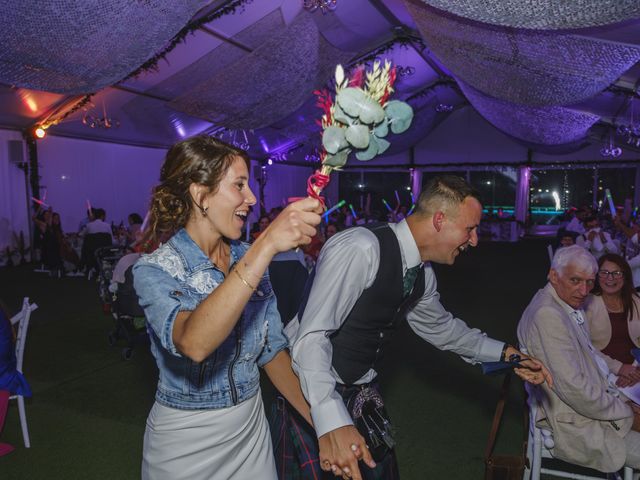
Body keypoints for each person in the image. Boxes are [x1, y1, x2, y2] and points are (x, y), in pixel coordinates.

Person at [285, 175, 551, 480]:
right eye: (470, 229)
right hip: (310, 393)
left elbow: (444, 330)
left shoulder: (422, 275)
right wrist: (332, 420)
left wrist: (507, 354)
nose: (475, 240)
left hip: (362, 394)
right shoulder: (361, 248)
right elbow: (311, 338)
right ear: (440, 220)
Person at [132, 135, 322, 480]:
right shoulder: (154, 270)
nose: (251, 198)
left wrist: (324, 425)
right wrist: (264, 247)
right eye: (239, 185)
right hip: (185, 444)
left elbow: (272, 352)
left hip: (251, 433)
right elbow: (194, 342)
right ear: (199, 194)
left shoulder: (246, 258)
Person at [518, 245, 640, 473]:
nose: (584, 291)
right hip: (576, 422)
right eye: (576, 280)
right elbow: (576, 390)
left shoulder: (562, 302)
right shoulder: (548, 315)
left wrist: (617, 381)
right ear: (554, 276)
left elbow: (590, 354)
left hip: (591, 404)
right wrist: (623, 410)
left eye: (589, 282)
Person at [584, 254, 640, 388]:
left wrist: (636, 372)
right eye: (604, 273)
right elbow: (584, 348)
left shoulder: (636, 302)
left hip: (635, 373)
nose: (610, 278)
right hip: (600, 374)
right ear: (596, 276)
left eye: (617, 273)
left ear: (625, 276)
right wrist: (619, 368)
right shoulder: (587, 304)